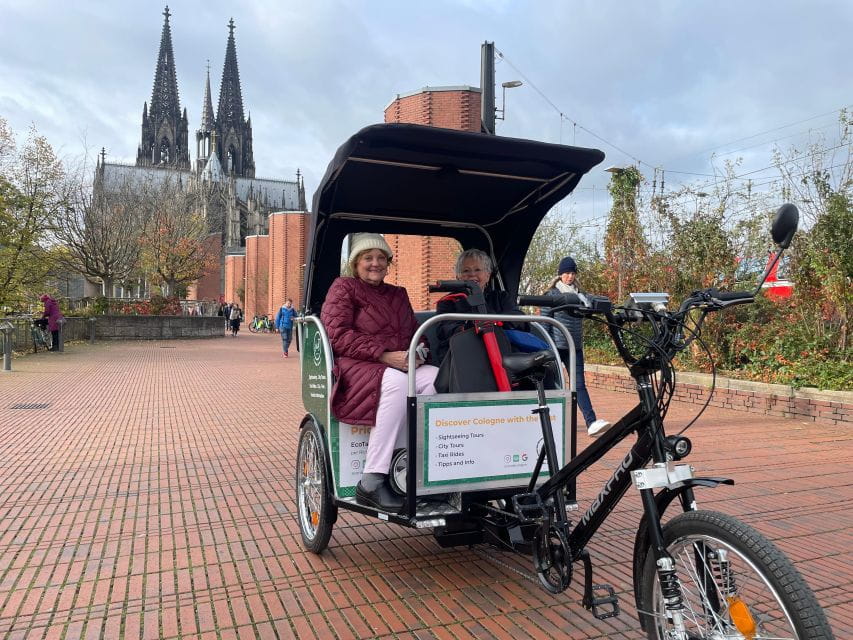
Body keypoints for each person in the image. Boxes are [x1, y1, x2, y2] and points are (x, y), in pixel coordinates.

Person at [321, 233, 438, 512]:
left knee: (437, 378)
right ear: (356, 263)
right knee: (399, 383)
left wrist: (418, 353)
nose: (375, 263)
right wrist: (384, 355)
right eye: (368, 258)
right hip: (357, 364)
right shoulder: (344, 288)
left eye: (381, 258)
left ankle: (419, 470)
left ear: (388, 263)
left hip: (398, 362)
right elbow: (337, 335)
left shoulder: (398, 294)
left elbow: (414, 332)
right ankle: (372, 480)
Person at [542, 257, 611, 437]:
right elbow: (544, 323)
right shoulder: (551, 295)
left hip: (575, 347)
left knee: (579, 386)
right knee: (552, 385)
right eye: (566, 273)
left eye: (572, 273)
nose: (570, 277)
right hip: (556, 347)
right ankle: (548, 423)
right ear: (560, 275)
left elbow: (595, 301)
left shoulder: (581, 295)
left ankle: (591, 422)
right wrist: (548, 347)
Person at [434, 248, 526, 364]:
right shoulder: (447, 301)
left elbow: (519, 319)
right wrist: (468, 326)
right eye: (466, 271)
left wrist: (494, 321)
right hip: (462, 352)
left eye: (477, 270)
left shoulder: (501, 297)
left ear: (487, 275)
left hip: (501, 348)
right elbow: (444, 330)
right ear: (458, 276)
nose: (472, 275)